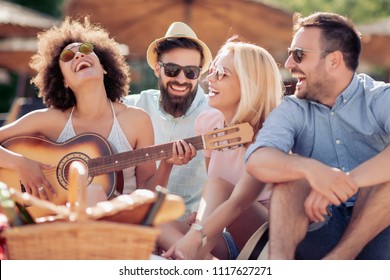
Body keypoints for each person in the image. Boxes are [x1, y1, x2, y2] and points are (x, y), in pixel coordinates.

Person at [0, 17, 194, 207]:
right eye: (67, 56)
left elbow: (146, 195)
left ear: (104, 67)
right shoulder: (50, 120)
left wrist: (167, 164)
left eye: (85, 49)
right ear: (63, 81)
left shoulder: (136, 120)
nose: (78, 55)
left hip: (122, 223)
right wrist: (21, 163)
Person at [245, 12, 390, 259]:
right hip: (319, 222)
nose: (289, 64)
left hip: (379, 227)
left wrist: (346, 181)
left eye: (299, 54)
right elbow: (257, 159)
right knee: (291, 180)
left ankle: (336, 265)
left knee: (382, 180)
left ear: (334, 60)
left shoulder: (380, 97)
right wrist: (312, 170)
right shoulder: (292, 108)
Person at [161, 37, 284, 259]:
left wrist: (199, 230)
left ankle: (190, 256)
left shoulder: (274, 131)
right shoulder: (207, 122)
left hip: (269, 240)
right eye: (212, 70)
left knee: (218, 186)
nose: (209, 79)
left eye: (221, 73)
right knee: (154, 221)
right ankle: (196, 261)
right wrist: (204, 216)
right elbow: (215, 193)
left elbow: (236, 199)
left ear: (250, 83)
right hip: (228, 238)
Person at [124, 22, 212, 215]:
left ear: (199, 74)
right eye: (172, 69)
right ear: (157, 69)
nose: (181, 79)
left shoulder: (215, 113)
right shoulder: (134, 106)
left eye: (191, 72)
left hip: (193, 226)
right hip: (142, 219)